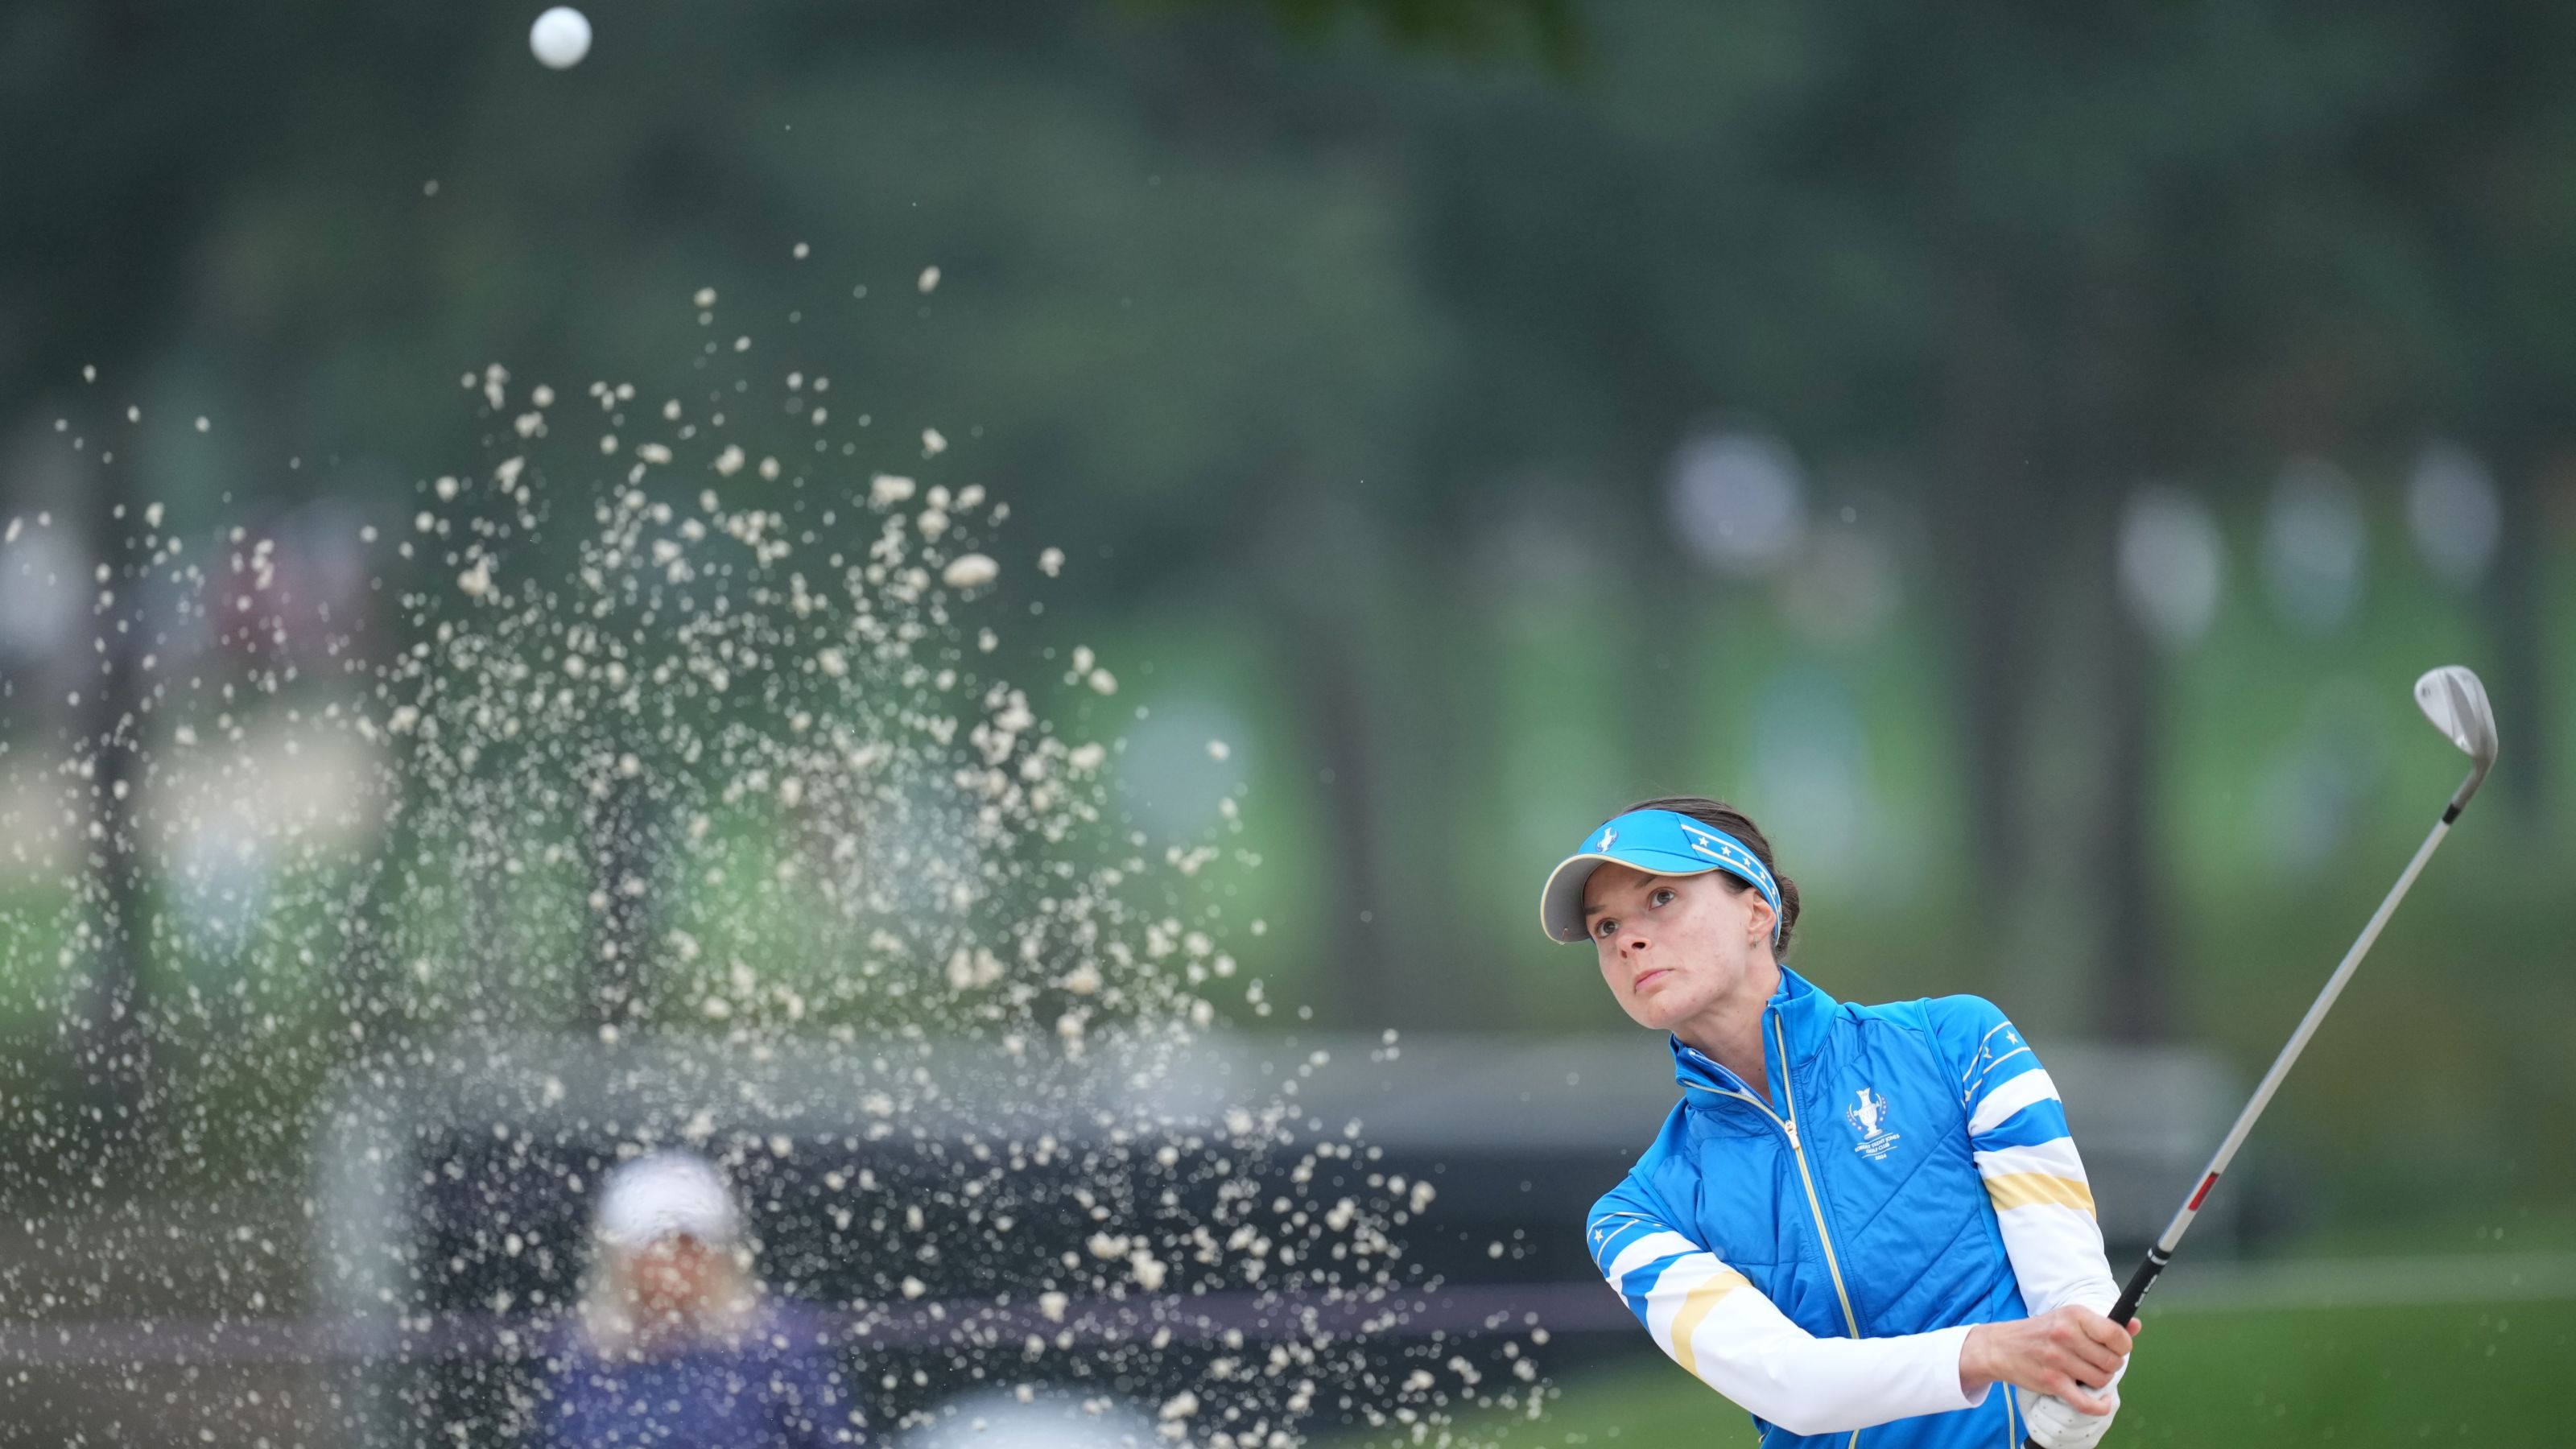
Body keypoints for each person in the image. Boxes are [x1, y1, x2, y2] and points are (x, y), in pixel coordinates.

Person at [1545, 799, 2139, 1448]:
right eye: (1605, 927)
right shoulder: (1634, 1216)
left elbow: (2071, 1281)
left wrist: (2084, 1383)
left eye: (1660, 898)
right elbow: (1791, 1384)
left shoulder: (1962, 1043)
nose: (1628, 939)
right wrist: (1990, 1353)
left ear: (1756, 911)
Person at [536, 1150, 855, 1447]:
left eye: (689, 1245)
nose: (673, 1264)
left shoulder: (779, 1346)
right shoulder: (585, 1355)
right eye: (655, 1246)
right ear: (620, 1260)